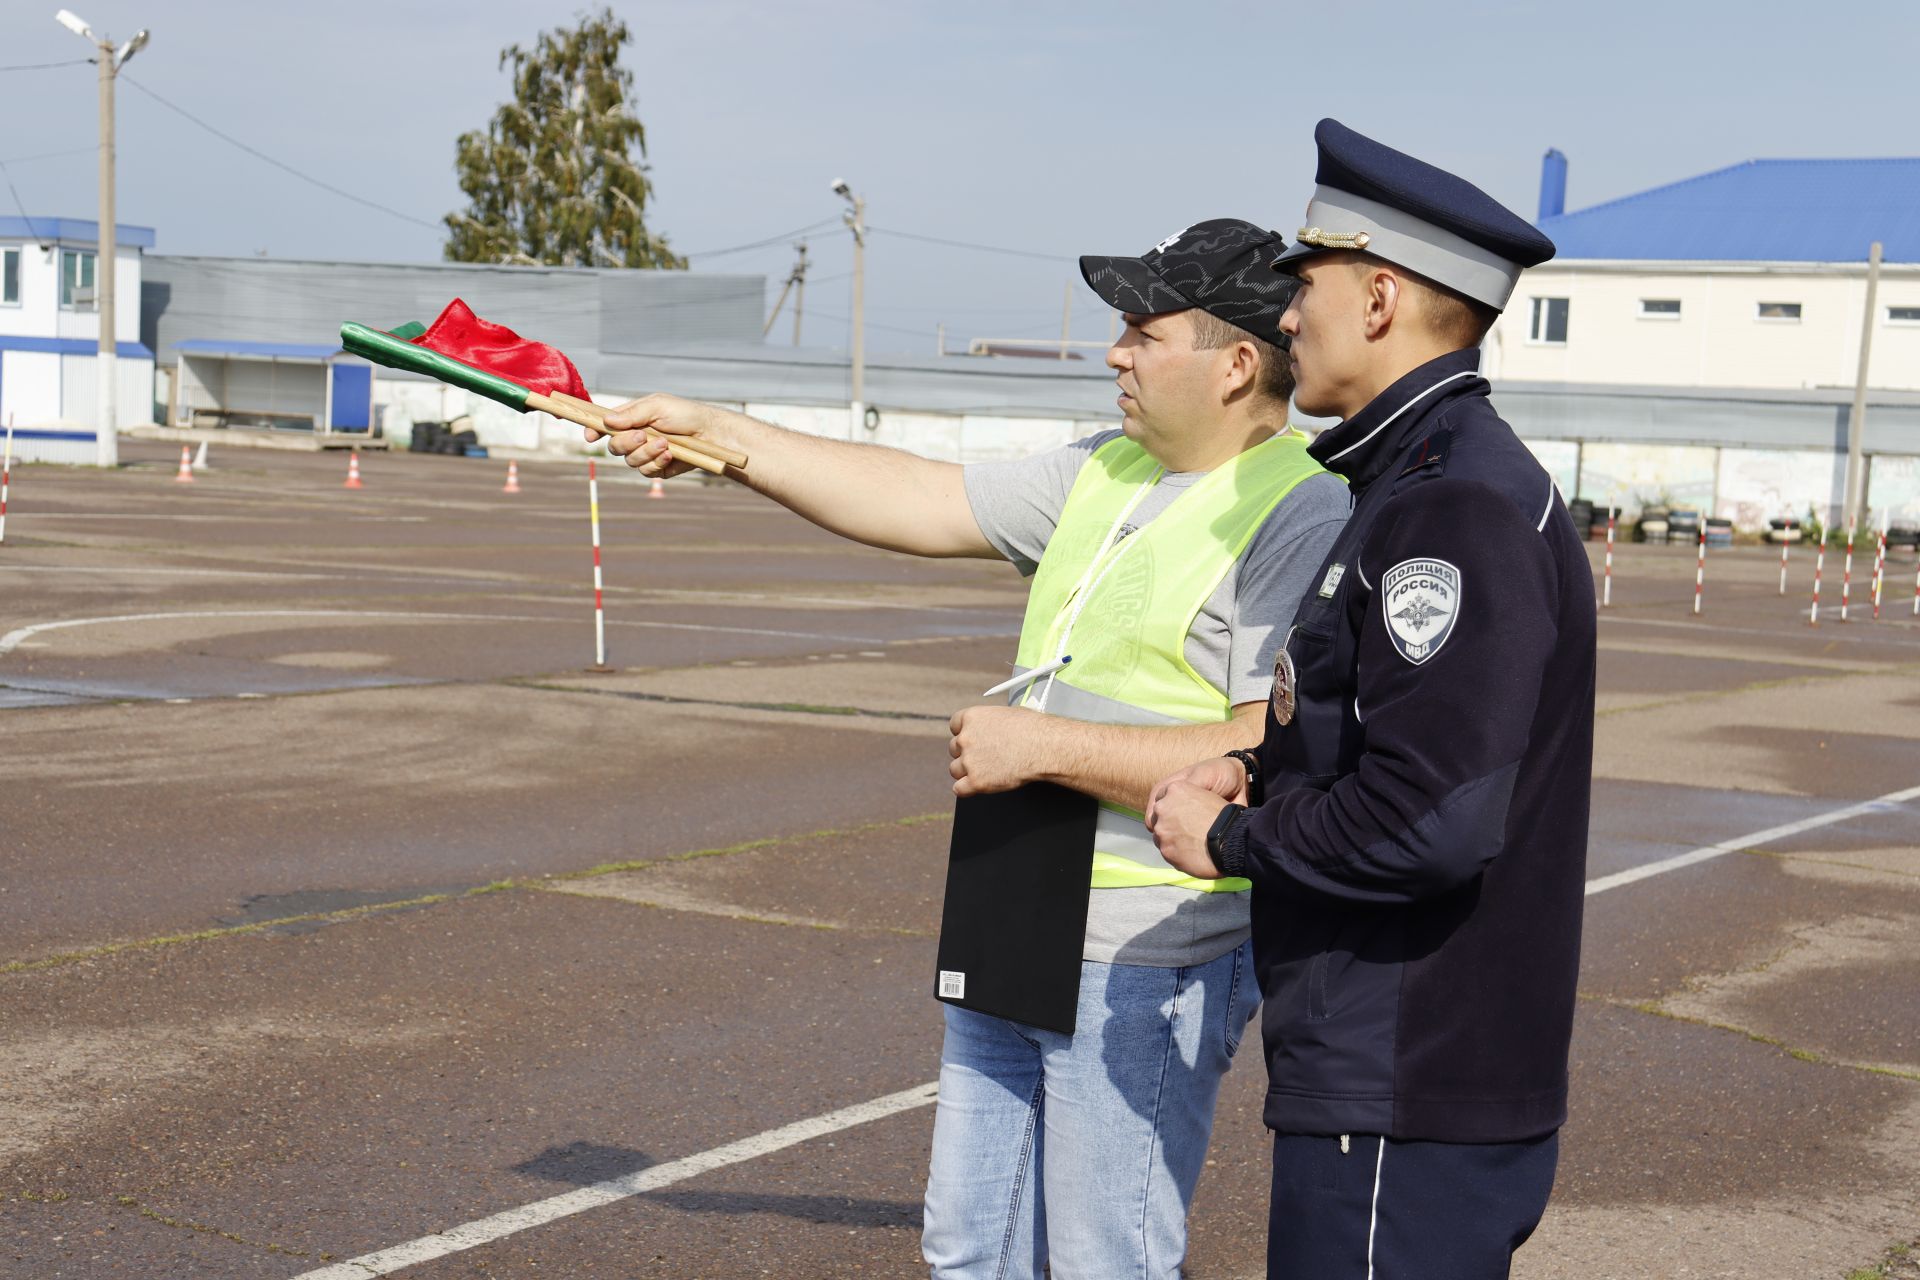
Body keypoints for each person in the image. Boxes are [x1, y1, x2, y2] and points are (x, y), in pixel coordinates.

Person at [595, 218, 1349, 1278]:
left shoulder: (1301, 508)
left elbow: (1267, 743)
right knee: (969, 1246)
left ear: (1234, 362)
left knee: (1104, 1260)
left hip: (1143, 947)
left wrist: (1041, 745)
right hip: (1015, 903)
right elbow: (919, 494)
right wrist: (721, 434)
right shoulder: (1107, 468)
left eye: (1142, 329)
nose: (1113, 351)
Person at [1145, 120, 1596, 1279]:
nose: (1288, 315)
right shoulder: (1413, 479)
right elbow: (1386, 734)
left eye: (1309, 283)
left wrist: (1234, 832)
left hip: (1410, 1073)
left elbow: (1426, 816)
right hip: (1406, 1072)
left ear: (1382, 297)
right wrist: (1260, 766)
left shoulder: (1451, 507)